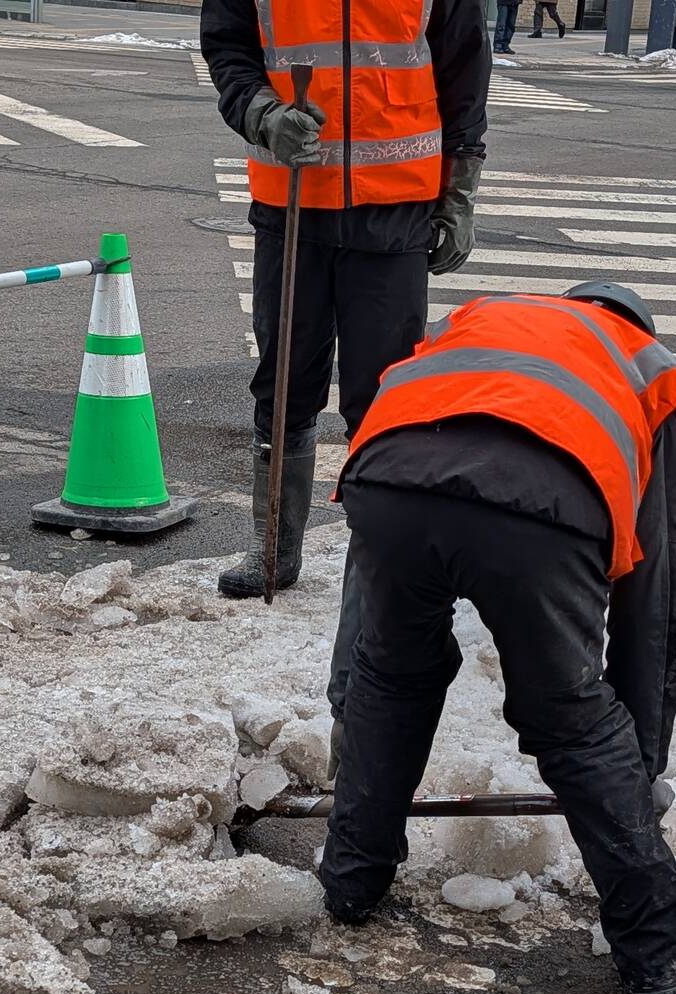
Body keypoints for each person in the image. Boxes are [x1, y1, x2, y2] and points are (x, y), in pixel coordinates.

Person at [319, 283, 676, 994]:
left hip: (387, 479)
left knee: (393, 672)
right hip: (541, 509)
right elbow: (653, 603)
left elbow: (361, 596)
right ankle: (658, 951)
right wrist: (636, 763)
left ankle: (351, 879)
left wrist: (350, 694)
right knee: (570, 718)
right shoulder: (643, 370)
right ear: (638, 329)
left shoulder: (480, 324)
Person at [200, 0, 491, 601]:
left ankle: (384, 552)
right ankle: (274, 545)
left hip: (395, 206)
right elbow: (229, 48)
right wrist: (263, 114)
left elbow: (463, 67)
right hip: (291, 201)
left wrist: (459, 191)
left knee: (385, 392)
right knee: (284, 382)